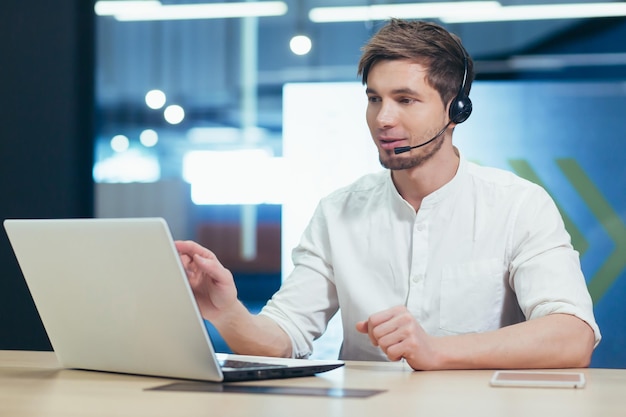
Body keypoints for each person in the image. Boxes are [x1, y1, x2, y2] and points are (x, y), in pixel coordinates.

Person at [176, 18, 600, 371]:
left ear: (456, 110)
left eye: (406, 99)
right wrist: (225, 312)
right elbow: (282, 339)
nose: (383, 119)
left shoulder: (518, 205)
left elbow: (571, 335)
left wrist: (435, 351)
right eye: (374, 99)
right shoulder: (338, 211)